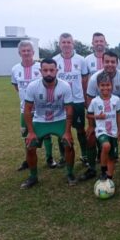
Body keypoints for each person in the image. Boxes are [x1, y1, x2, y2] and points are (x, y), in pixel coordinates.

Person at [20, 58, 75, 189]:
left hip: (59, 119)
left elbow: (69, 110)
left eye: (51, 70)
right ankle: (33, 177)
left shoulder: (65, 86)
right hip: (40, 120)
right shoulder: (33, 86)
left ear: (57, 70)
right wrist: (31, 132)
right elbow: (27, 109)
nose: (48, 73)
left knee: (69, 144)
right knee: (30, 146)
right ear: (41, 71)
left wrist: (67, 132)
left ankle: (70, 174)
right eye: (45, 70)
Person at [84, 51, 120, 181]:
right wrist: (91, 125)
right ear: (102, 62)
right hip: (99, 112)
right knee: (90, 137)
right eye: (107, 61)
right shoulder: (95, 78)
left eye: (113, 62)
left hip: (119, 110)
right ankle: (92, 168)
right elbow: (89, 99)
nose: (110, 64)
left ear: (117, 63)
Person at [11, 40, 57, 171]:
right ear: (19, 53)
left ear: (33, 52)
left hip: (42, 108)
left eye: (28, 50)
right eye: (23, 51)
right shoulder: (15, 69)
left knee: (46, 134)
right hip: (25, 109)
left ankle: (50, 158)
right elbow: (16, 87)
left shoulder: (40, 67)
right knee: (26, 135)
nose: (26, 53)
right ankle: (28, 159)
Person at [53, 33, 91, 172]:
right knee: (62, 130)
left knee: (80, 129)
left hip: (78, 101)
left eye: (69, 42)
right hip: (60, 102)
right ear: (59, 44)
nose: (66, 44)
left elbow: (85, 80)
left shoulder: (81, 60)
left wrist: (85, 98)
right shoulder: (54, 60)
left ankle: (85, 155)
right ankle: (63, 156)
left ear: (73, 43)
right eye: (63, 42)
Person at [87, 72, 120, 180]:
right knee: (106, 146)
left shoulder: (116, 100)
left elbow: (118, 115)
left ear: (111, 85)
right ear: (98, 86)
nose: (105, 88)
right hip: (101, 131)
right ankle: (103, 170)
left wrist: (119, 131)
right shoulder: (94, 101)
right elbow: (88, 115)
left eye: (107, 85)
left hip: (113, 132)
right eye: (102, 85)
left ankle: (109, 178)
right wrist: (97, 116)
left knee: (112, 158)